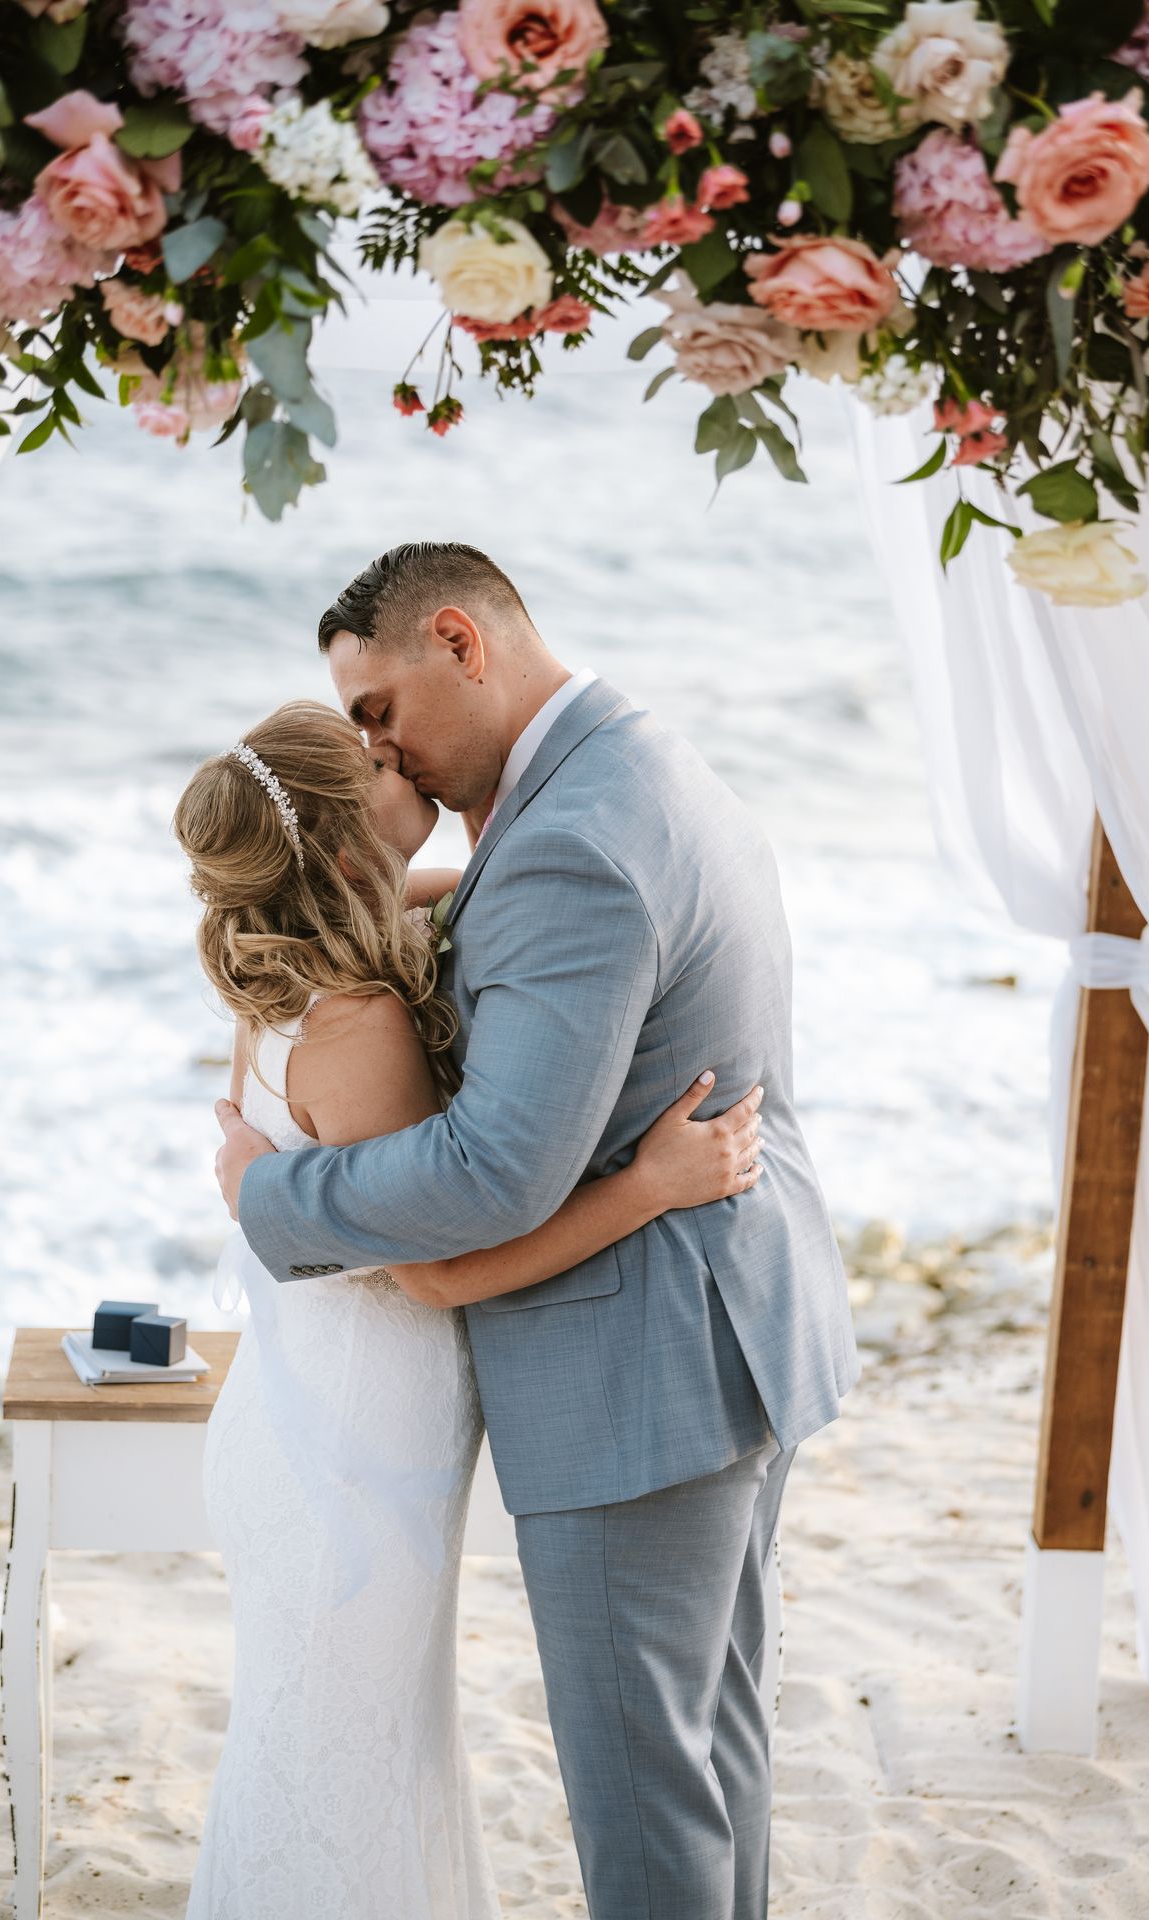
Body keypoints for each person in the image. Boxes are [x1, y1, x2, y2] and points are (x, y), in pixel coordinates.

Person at [216, 540, 861, 1920]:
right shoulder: (626, 763)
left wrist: (266, 1194)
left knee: (644, 1791)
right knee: (706, 1751)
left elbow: (494, 1172)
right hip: (727, 1325)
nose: (380, 752)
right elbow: (502, 921)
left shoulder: (566, 836)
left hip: (640, 1372)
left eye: (381, 710)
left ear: (460, 639)